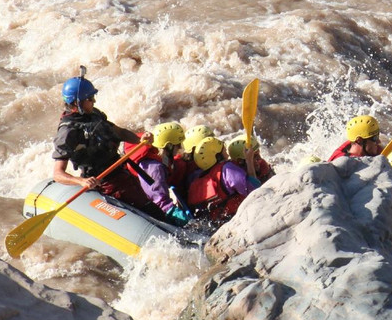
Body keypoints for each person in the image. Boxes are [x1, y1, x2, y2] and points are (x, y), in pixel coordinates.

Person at [51, 72, 160, 216]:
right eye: (89, 98)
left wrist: (139, 139)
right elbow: (58, 174)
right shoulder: (67, 132)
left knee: (149, 206)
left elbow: (119, 132)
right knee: (149, 211)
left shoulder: (94, 114)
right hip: (105, 182)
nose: (93, 101)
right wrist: (81, 181)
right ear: (77, 103)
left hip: (121, 172)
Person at [123, 122, 191, 226]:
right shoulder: (154, 168)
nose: (180, 148)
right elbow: (159, 200)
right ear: (169, 146)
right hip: (141, 202)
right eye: (178, 145)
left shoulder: (158, 154)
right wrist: (183, 219)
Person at [186, 137, 256, 225]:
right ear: (217, 155)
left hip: (216, 224)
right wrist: (249, 160)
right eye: (223, 149)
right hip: (237, 218)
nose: (226, 151)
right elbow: (254, 191)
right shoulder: (228, 169)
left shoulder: (198, 180)